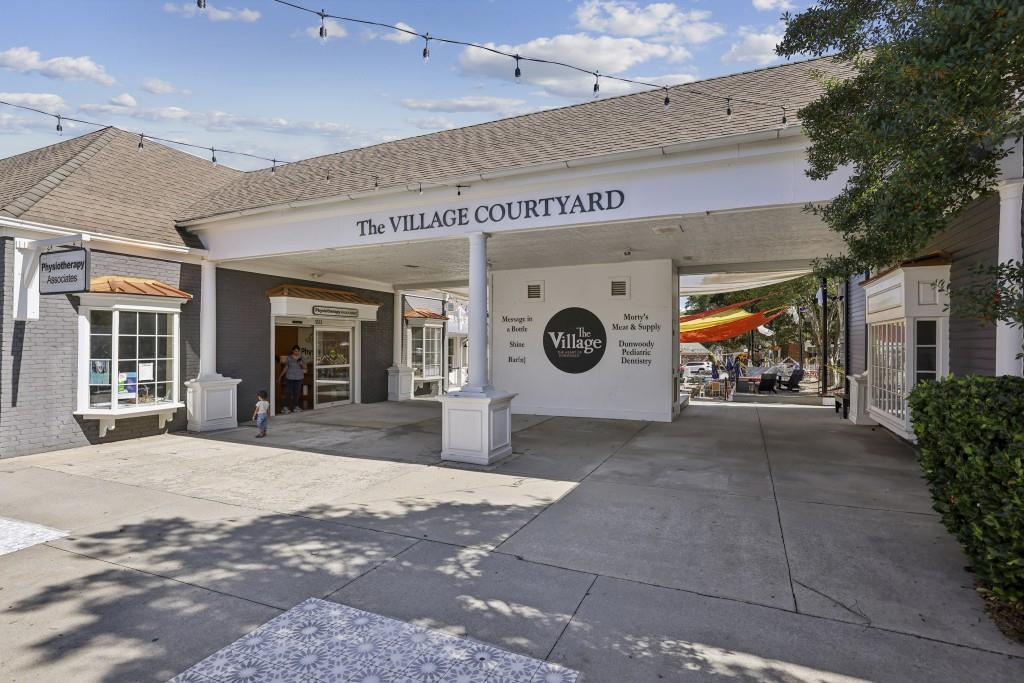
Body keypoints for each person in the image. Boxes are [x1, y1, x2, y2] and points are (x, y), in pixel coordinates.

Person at [279, 345, 307, 414]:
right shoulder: (289, 358)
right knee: (287, 393)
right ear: (292, 351)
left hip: (299, 378)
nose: (296, 352)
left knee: (296, 393)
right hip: (289, 378)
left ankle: (296, 407)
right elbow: (286, 367)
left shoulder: (302, 358)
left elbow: (305, 368)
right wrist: (280, 376)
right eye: (295, 351)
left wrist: (301, 364)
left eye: (298, 351)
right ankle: (285, 407)